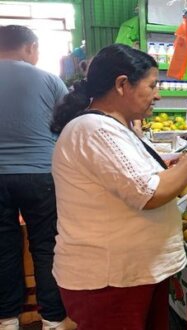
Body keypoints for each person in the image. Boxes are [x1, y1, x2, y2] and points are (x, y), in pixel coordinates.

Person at [49, 44, 187, 329]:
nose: (158, 94)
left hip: (133, 274)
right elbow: (150, 193)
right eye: (152, 85)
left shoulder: (115, 127)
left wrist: (186, 165)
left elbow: (139, 180)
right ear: (122, 85)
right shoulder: (94, 130)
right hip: (110, 280)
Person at [0, 25, 76, 330]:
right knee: (45, 246)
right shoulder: (48, 80)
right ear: (30, 47)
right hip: (40, 174)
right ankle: (52, 320)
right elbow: (67, 126)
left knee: (3, 247)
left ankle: (6, 320)